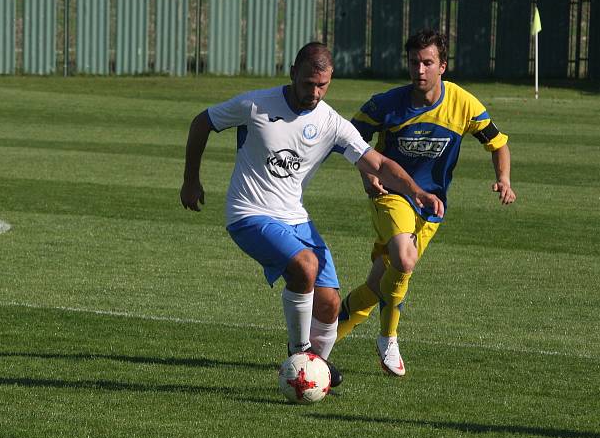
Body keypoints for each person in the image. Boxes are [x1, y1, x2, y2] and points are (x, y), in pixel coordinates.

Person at [180, 42, 443, 387]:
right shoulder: (255, 104)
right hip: (249, 212)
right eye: (308, 84)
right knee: (305, 266)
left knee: (331, 304)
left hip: (295, 217)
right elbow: (203, 123)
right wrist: (190, 179)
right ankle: (300, 353)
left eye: (323, 85)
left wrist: (416, 191)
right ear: (293, 74)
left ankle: (312, 374)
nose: (315, 92)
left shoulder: (330, 122)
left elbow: (376, 162)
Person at [336, 29, 517, 377]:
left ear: (442, 66)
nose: (419, 69)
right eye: (413, 62)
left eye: (427, 62)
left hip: (432, 206)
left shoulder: (464, 104)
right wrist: (366, 174)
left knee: (378, 286)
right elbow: (349, 136)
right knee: (405, 259)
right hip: (390, 195)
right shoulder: (386, 104)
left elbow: (498, 143)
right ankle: (388, 338)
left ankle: (318, 341)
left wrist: (504, 179)